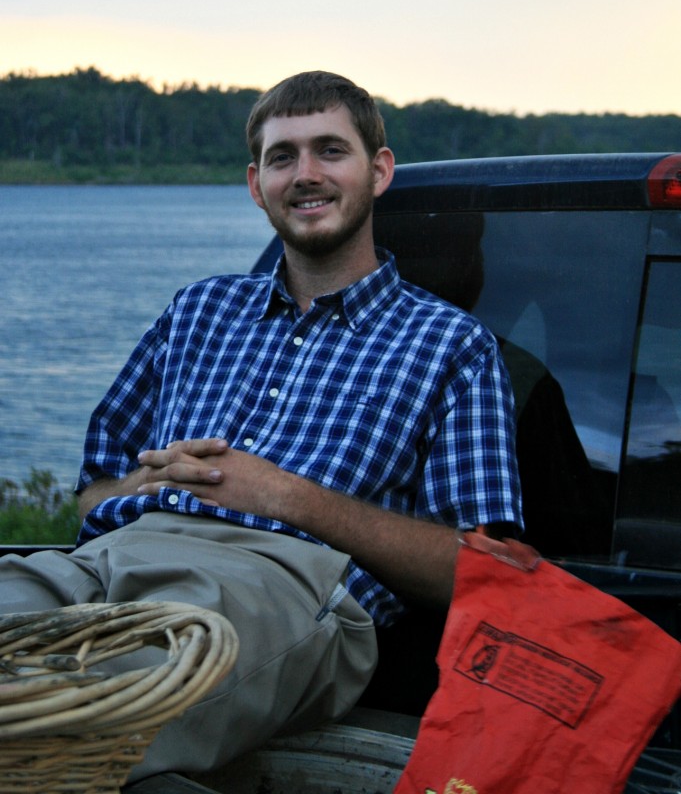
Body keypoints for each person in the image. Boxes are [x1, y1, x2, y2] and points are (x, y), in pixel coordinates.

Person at [0, 70, 524, 788]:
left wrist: (288, 497)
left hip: (277, 588)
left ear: (378, 170)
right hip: (114, 556)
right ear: (256, 183)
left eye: (329, 151)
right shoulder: (198, 311)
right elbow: (92, 499)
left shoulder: (450, 346)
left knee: (73, 714)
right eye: (283, 157)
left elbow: (484, 572)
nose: (305, 175)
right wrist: (146, 480)